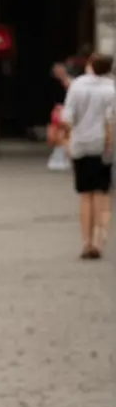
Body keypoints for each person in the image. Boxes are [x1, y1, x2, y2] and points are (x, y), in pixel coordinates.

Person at [60, 52, 114, 260]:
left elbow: (68, 118)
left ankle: (86, 241)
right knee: (102, 193)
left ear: (90, 65)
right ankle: (100, 241)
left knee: (85, 194)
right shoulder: (111, 89)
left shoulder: (77, 86)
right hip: (102, 145)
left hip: (81, 144)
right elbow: (112, 121)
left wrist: (66, 141)